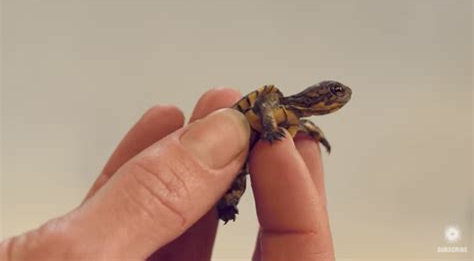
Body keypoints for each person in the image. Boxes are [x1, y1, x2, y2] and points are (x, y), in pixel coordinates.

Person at [0, 88, 335, 261]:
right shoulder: (274, 105)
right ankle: (229, 204)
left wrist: (305, 133)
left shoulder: (294, 118)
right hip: (238, 141)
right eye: (333, 92)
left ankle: (228, 203)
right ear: (317, 93)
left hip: (248, 152)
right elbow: (262, 108)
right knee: (235, 181)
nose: (339, 97)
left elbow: (291, 127)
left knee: (242, 177)